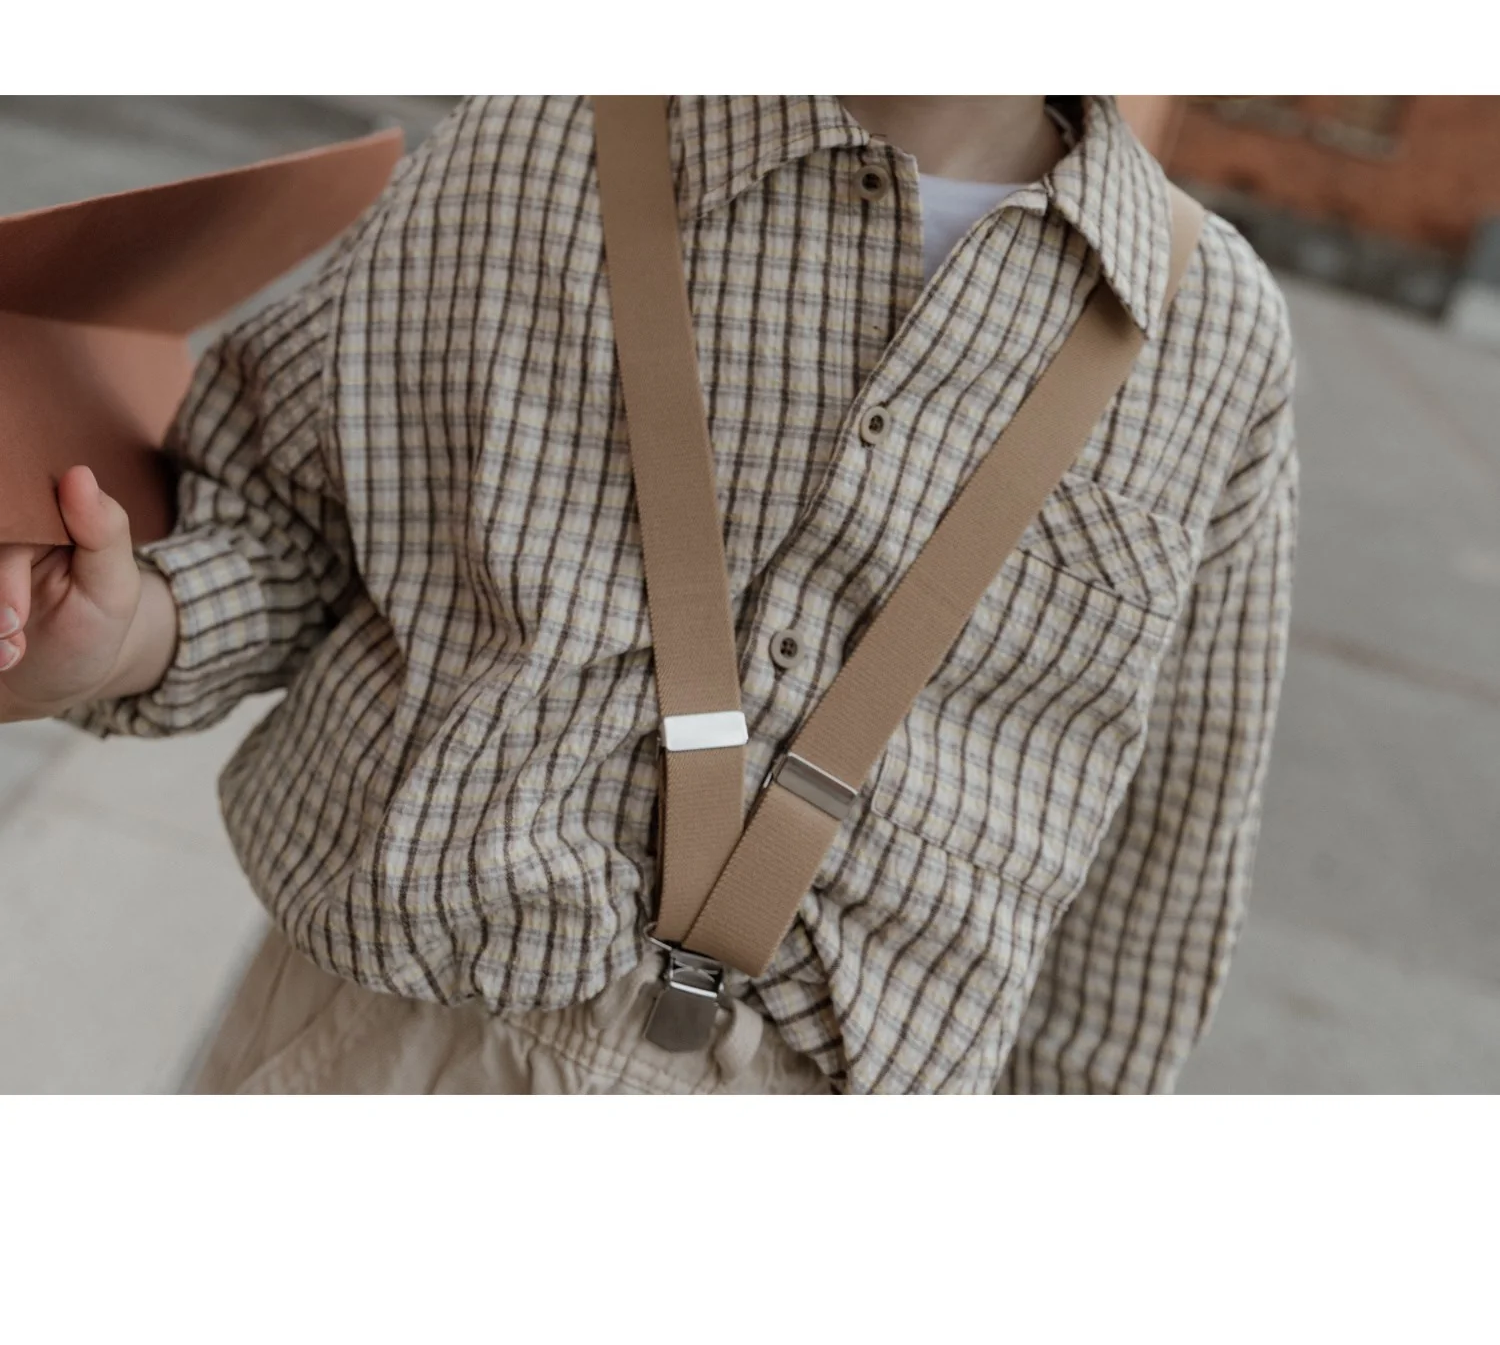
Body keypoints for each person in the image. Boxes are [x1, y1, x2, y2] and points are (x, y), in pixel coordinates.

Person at [0, 96, 1298, 1094]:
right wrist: (123, 636)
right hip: (398, 1046)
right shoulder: (535, 146)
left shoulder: (1210, 332)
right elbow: (291, 521)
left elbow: (1167, 839)